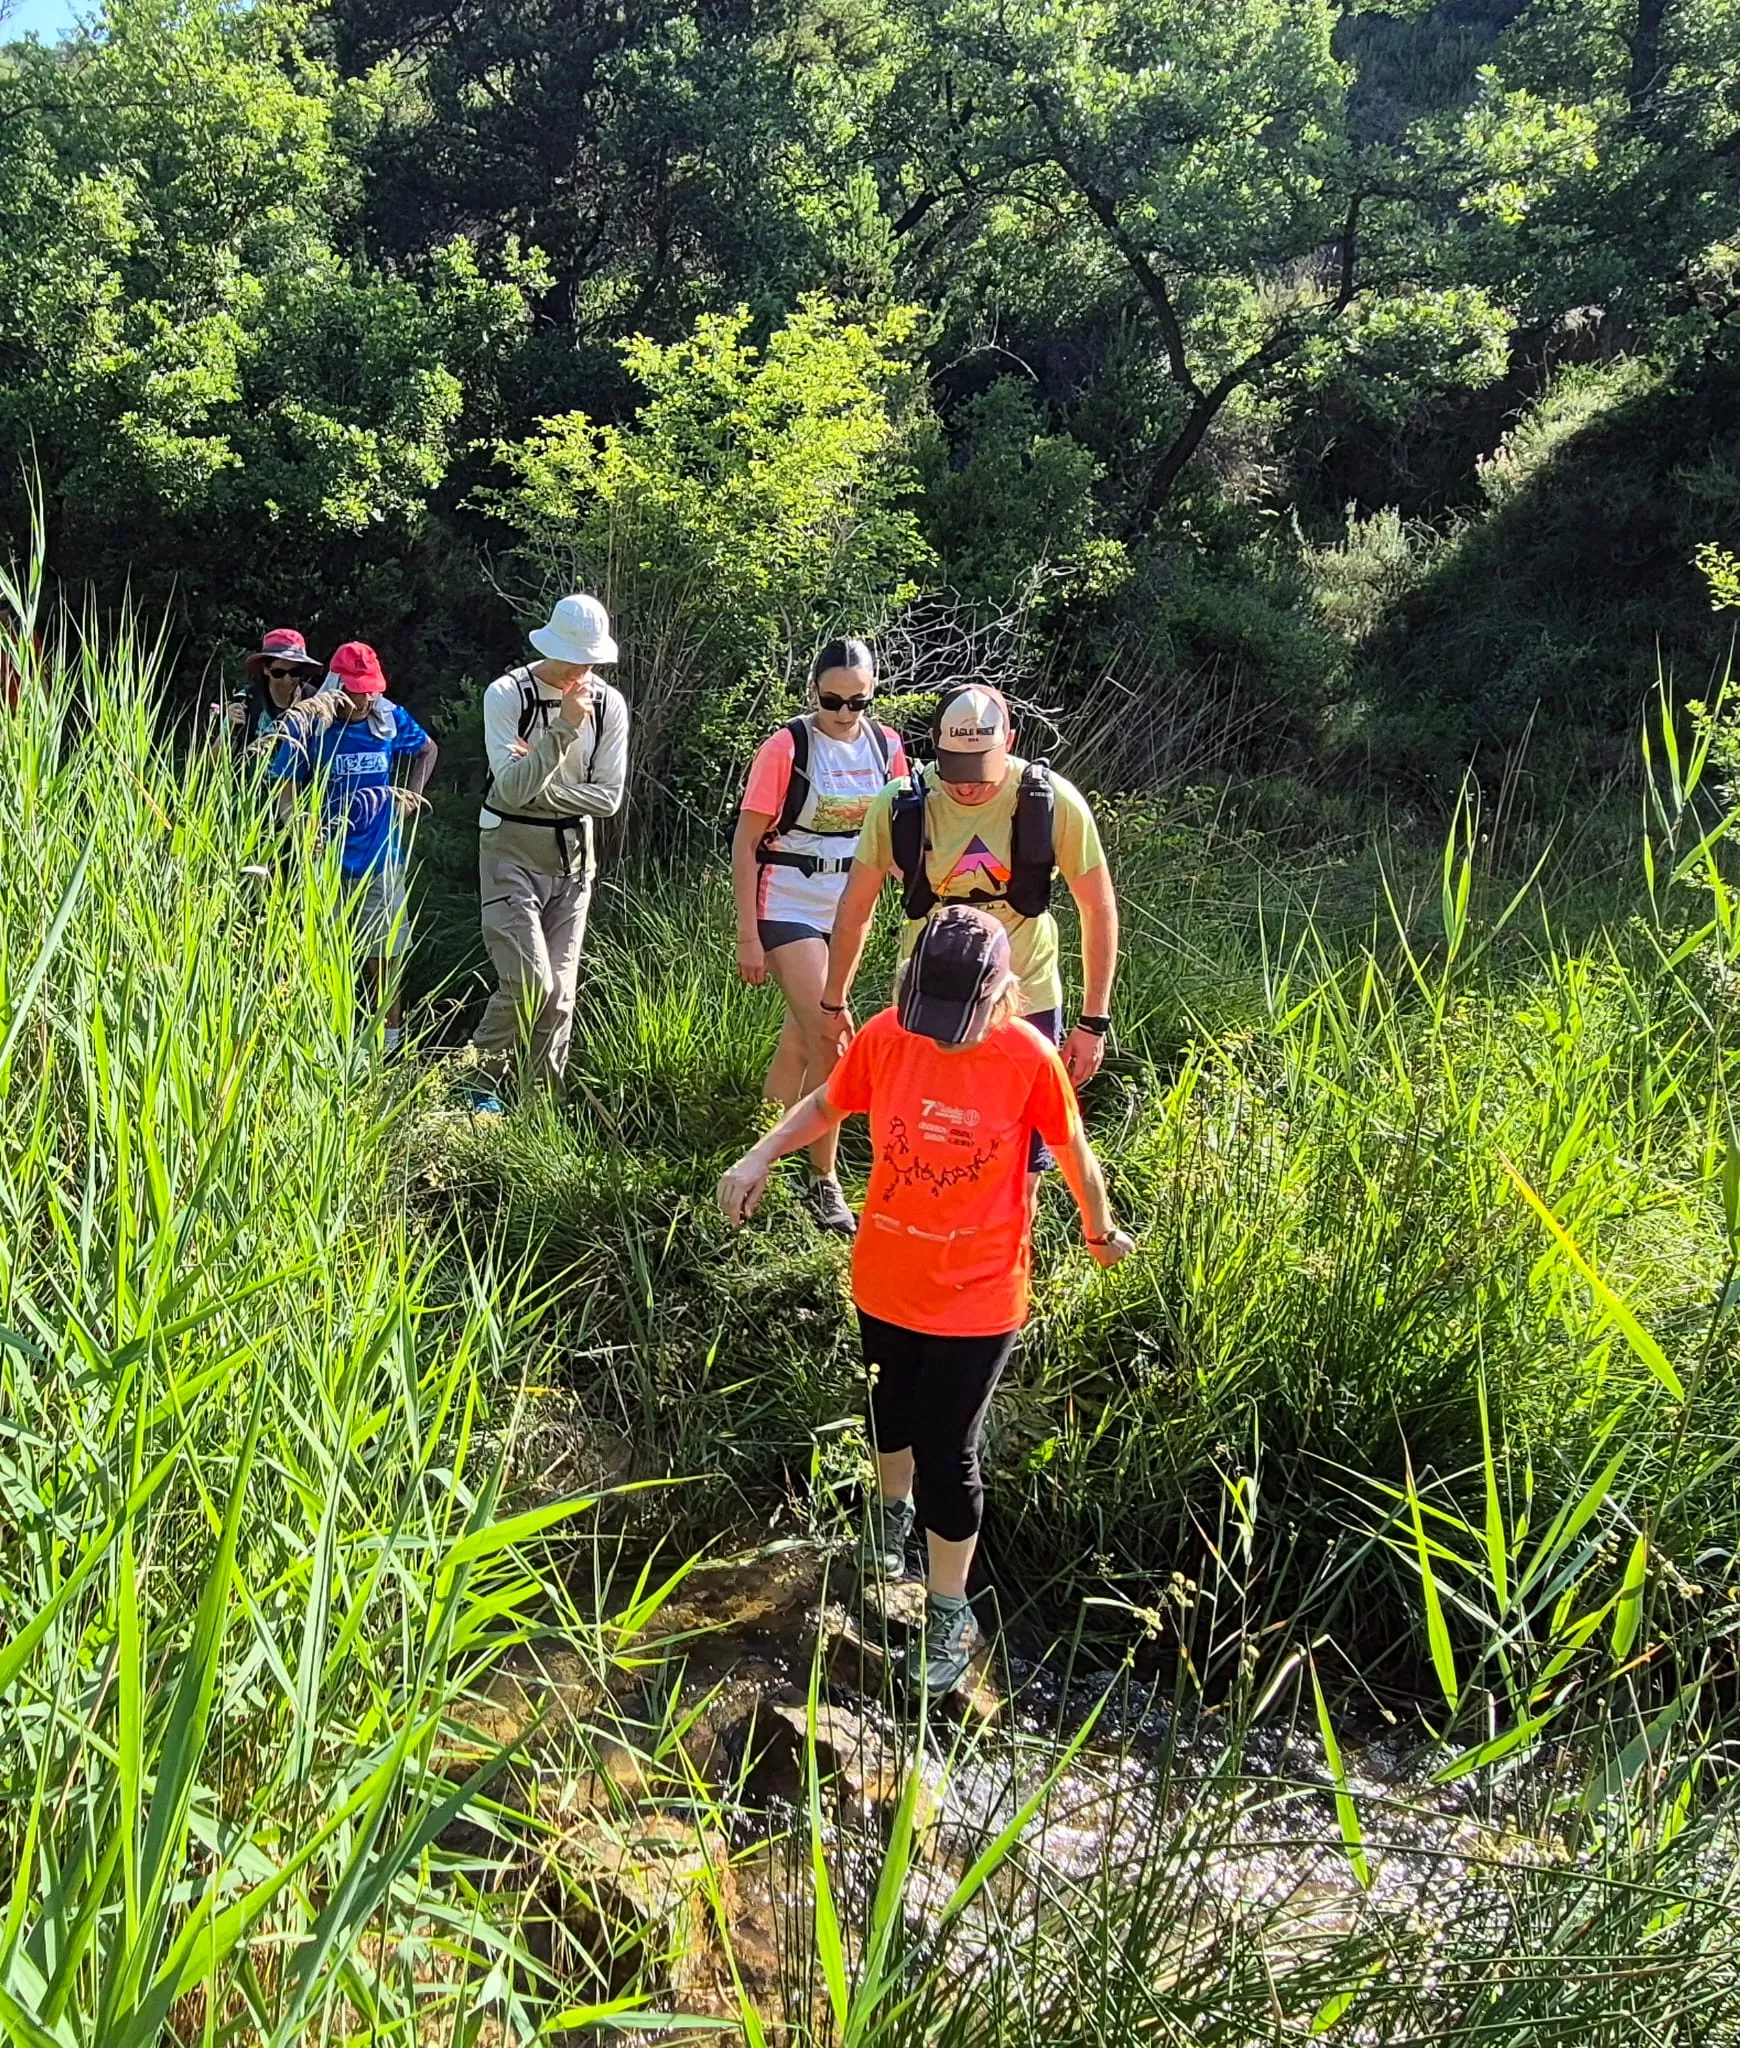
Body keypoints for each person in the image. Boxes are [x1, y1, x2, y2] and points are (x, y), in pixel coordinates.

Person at [718, 905, 1134, 1695]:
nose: (941, 1037)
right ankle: (892, 1517)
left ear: (1002, 995)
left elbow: (1072, 1148)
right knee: (889, 1413)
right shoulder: (886, 1035)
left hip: (980, 1290)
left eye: (959, 1020)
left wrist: (1100, 1229)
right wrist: (759, 1155)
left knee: (948, 1448)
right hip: (887, 1275)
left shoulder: (1028, 1056)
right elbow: (829, 1103)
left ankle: (949, 1611)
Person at [819, 684, 1120, 1181]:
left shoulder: (1052, 802)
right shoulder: (900, 805)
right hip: (929, 1001)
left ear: (1009, 742)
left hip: (1026, 998)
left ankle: (1014, 1231)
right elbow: (856, 909)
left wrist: (1093, 1022)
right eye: (955, 768)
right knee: (926, 1144)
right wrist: (834, 1001)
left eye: (980, 769)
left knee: (1024, 1158)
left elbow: (1098, 908)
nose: (966, 786)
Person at [731, 637, 909, 1237]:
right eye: (832, 700)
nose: (844, 712)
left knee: (802, 1042)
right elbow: (745, 844)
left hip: (850, 908)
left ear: (872, 695)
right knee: (834, 1037)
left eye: (858, 701)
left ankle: (758, 1149)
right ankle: (822, 1178)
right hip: (787, 901)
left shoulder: (887, 747)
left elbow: (898, 832)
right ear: (813, 692)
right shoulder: (786, 747)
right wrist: (748, 937)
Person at [466, 593, 630, 1114]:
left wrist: (539, 780)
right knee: (528, 982)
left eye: (591, 660)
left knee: (559, 996)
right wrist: (563, 728)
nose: (583, 670)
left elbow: (608, 799)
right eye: (574, 658)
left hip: (575, 862)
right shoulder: (506, 694)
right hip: (509, 852)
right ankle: (474, 1086)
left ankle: (539, 1111)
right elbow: (512, 793)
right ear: (549, 646)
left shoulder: (610, 705)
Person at [269, 641, 438, 1053]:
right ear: (336, 686)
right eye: (355, 691)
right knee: (327, 956)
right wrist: (298, 824)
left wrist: (412, 797)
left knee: (385, 955)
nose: (363, 701)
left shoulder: (389, 718)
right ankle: (330, 1043)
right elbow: (284, 787)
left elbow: (427, 749)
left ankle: (388, 1044)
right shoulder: (311, 725)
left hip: (381, 858)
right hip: (327, 860)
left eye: (369, 691)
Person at [227, 628, 325, 749]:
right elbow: (214, 756)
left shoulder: (314, 700)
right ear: (266, 669)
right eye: (279, 673)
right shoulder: (247, 700)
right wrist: (228, 727)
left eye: (295, 672)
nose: (287, 680)